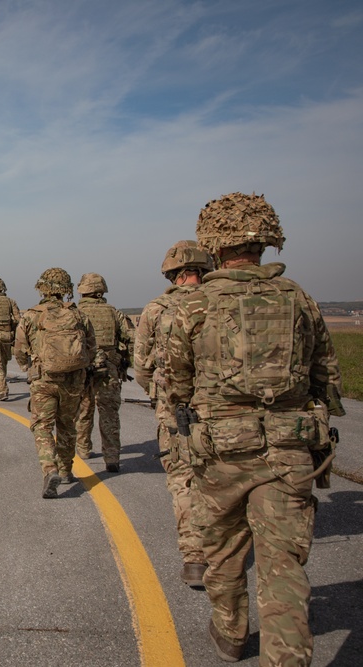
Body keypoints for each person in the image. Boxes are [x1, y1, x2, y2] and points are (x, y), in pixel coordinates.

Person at [164, 192, 344, 664]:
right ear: (265, 241)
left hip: (222, 451)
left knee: (223, 549)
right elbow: (326, 374)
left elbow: (176, 381)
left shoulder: (194, 303)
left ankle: (230, 632)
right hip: (290, 449)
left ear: (214, 245)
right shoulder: (299, 298)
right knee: (283, 566)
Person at [133, 240, 214, 589]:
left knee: (182, 476)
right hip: (220, 407)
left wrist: (158, 393)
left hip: (175, 406)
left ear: (171, 272)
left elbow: (141, 365)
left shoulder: (156, 309)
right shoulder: (219, 301)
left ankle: (195, 557)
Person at [15, 268, 98, 498]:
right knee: (67, 425)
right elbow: (91, 348)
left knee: (42, 426)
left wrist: (28, 367)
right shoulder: (79, 315)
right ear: (66, 289)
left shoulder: (31, 316)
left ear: (41, 287)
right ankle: (66, 470)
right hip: (73, 380)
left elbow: (19, 350)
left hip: (44, 380)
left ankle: (49, 469)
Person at [74, 273, 135, 472]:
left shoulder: (75, 312)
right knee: (109, 412)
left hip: (83, 366)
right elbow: (127, 339)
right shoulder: (113, 312)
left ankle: (83, 448)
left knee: (84, 408)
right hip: (109, 366)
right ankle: (111, 457)